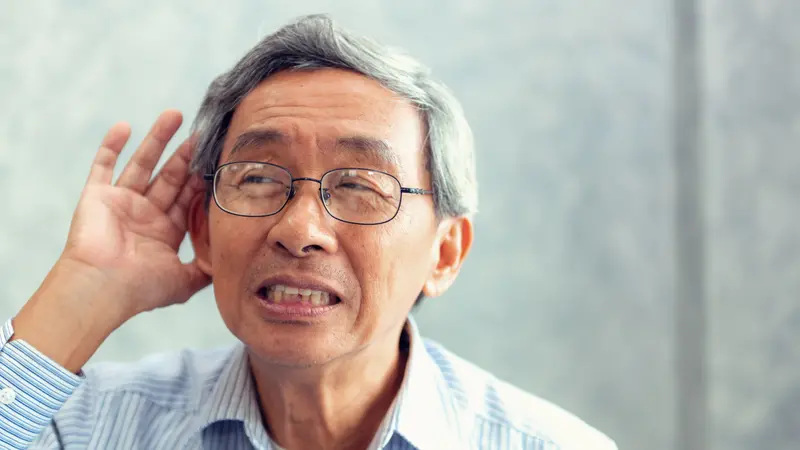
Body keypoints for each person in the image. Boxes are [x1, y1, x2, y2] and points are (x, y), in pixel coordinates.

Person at [0, 14, 617, 450]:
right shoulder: (81, 427)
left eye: (360, 185)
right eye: (258, 178)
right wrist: (84, 292)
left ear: (445, 252)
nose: (299, 230)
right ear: (204, 233)